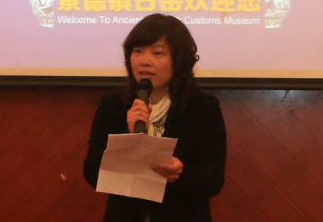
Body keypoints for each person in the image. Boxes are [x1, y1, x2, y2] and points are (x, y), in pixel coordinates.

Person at [83, 13, 226, 222]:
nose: (145, 61)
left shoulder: (203, 108)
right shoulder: (114, 106)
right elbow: (92, 174)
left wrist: (181, 173)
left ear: (178, 60)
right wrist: (127, 137)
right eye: (138, 51)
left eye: (158, 53)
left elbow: (213, 181)